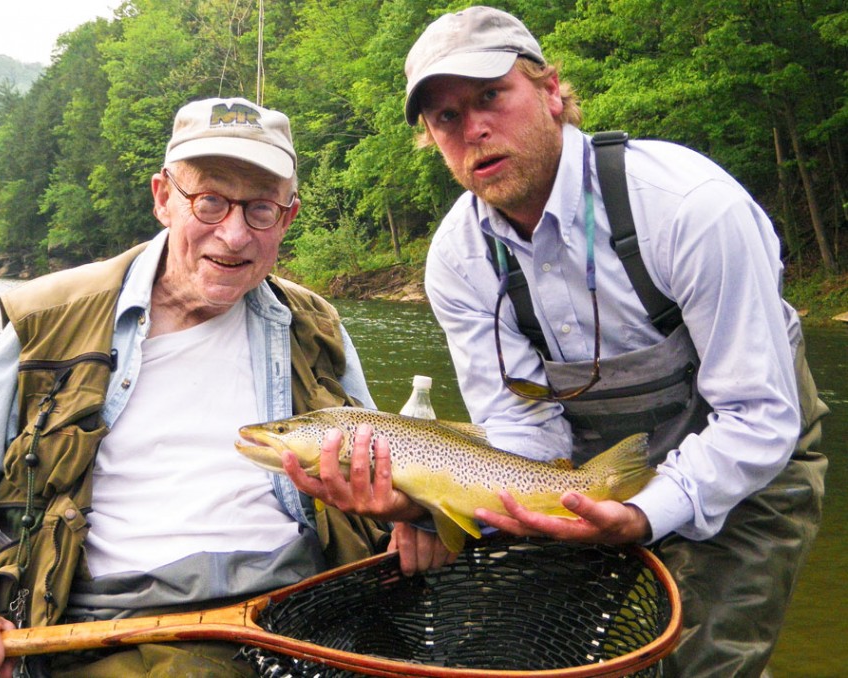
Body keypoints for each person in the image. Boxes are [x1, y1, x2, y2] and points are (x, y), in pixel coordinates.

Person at [284, 6, 828, 677]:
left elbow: (759, 414)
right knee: (493, 649)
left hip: (749, 456)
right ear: (432, 139)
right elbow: (522, 428)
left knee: (704, 662)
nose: (474, 129)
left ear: (549, 91)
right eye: (446, 117)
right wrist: (423, 505)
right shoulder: (458, 259)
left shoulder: (687, 208)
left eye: (491, 96)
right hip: (578, 473)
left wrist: (644, 511)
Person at [0, 96, 386, 678]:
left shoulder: (314, 326)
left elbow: (391, 462)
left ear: (287, 218)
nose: (234, 235)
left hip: (293, 611)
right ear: (163, 198)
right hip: (101, 621)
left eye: (260, 209)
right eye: (210, 201)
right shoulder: (53, 318)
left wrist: (412, 515)